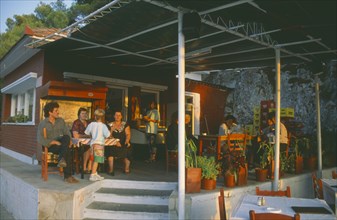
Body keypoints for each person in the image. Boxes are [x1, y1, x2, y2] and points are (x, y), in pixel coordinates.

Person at [37, 102, 79, 183]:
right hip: (50, 146)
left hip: (61, 144)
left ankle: (61, 159)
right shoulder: (43, 124)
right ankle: (68, 177)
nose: (58, 112)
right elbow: (40, 139)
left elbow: (67, 132)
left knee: (66, 138)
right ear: (50, 112)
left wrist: (70, 140)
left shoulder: (61, 121)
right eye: (56, 110)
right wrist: (53, 142)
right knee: (67, 150)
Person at [85, 109, 111, 181]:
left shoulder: (91, 124)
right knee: (97, 160)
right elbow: (108, 135)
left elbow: (87, 133)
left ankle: (95, 173)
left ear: (95, 116)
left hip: (93, 144)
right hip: (99, 144)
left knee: (93, 158)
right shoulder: (103, 126)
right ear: (103, 117)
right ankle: (93, 174)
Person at [105, 110, 132, 175]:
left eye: (119, 115)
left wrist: (127, 140)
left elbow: (128, 134)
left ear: (121, 116)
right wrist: (115, 141)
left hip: (123, 142)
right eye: (116, 115)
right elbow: (108, 135)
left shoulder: (125, 124)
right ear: (114, 116)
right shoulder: (110, 124)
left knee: (128, 150)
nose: (118, 116)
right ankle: (111, 170)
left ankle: (126, 169)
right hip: (113, 143)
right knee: (110, 151)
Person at [71, 107, 91, 174]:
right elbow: (75, 136)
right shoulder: (76, 122)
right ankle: (84, 167)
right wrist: (87, 136)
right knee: (88, 148)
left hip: (88, 143)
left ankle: (90, 167)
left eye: (85, 113)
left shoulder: (88, 122)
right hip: (78, 145)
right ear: (79, 114)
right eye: (82, 113)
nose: (84, 115)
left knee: (95, 147)